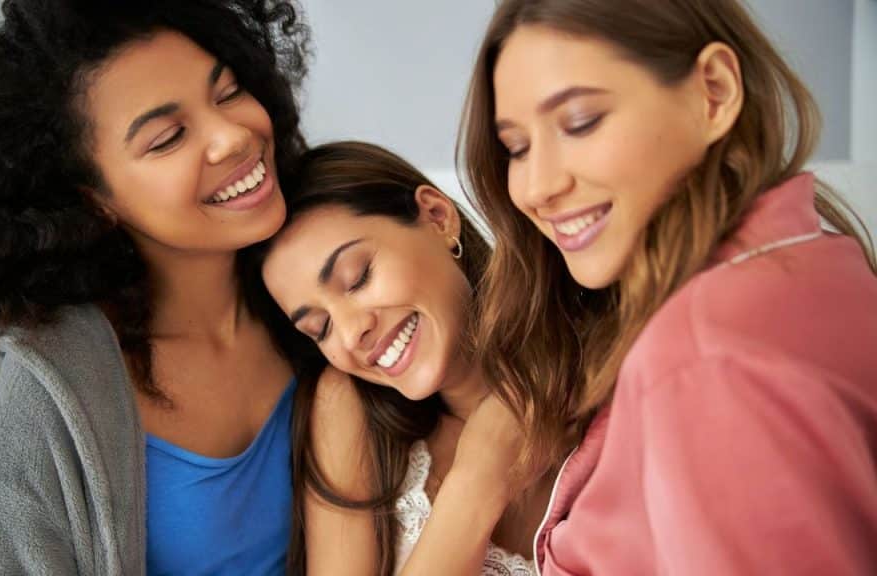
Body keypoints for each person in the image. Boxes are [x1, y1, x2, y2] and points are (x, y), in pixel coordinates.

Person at [0, 1, 312, 574]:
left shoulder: (331, 282)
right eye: (167, 138)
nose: (231, 137)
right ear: (92, 198)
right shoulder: (49, 399)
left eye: (228, 92)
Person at [460, 0, 877, 574]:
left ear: (714, 91)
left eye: (580, 121)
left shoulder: (702, 356)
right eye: (517, 148)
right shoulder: (819, 259)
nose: (536, 186)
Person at [255, 141, 551, 575]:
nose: (353, 334)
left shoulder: (605, 369)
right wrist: (477, 478)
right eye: (320, 328)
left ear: (437, 217)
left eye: (358, 278)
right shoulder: (353, 412)